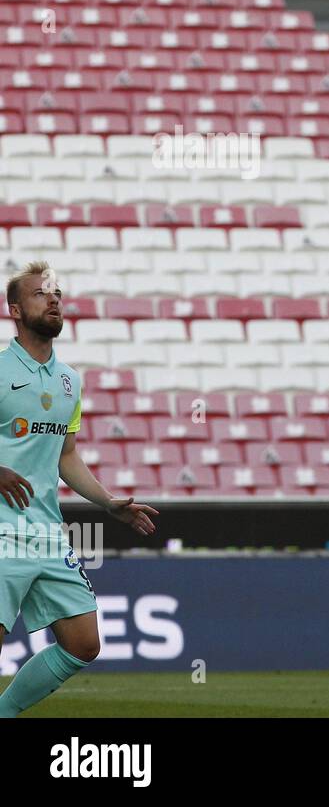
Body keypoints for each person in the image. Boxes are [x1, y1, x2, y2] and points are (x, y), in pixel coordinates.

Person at [0, 262, 157, 717]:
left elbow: (65, 455)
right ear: (14, 309)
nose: (52, 300)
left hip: (47, 531)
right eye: (39, 294)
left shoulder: (71, 381)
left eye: (57, 294)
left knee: (83, 645)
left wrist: (108, 503)